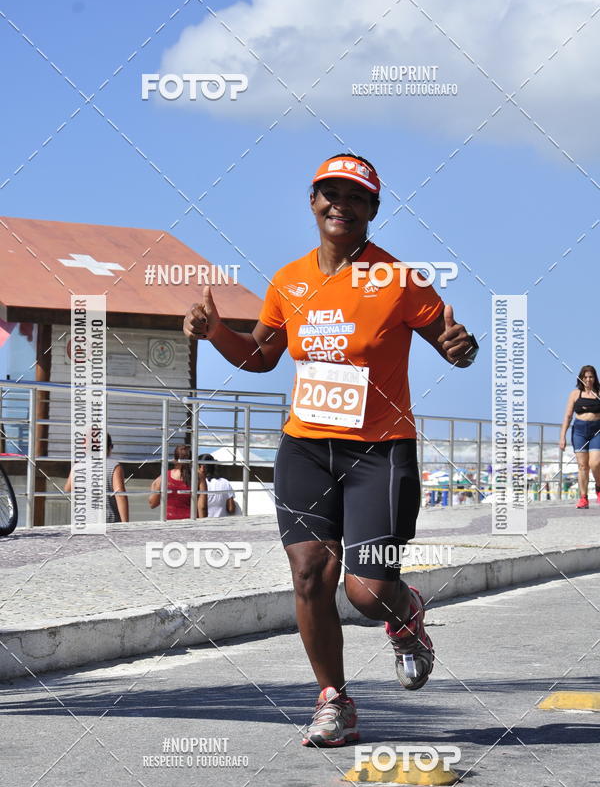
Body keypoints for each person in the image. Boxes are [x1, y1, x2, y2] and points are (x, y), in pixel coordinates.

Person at [183, 153, 478, 747]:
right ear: (312, 201)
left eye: (356, 197)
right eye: (330, 194)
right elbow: (261, 356)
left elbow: (452, 345)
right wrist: (214, 331)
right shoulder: (289, 280)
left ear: (373, 210)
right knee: (310, 575)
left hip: (381, 452)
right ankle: (333, 701)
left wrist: (459, 346)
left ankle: (405, 613)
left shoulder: (398, 279)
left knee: (366, 593)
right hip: (305, 448)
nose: (340, 205)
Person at [559, 365, 600, 509]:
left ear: (595, 378)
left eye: (591, 377)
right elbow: (568, 416)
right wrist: (562, 436)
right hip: (580, 431)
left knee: (595, 463)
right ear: (581, 379)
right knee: (583, 466)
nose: (588, 380)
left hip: (597, 431)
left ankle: (599, 487)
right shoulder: (575, 394)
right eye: (585, 377)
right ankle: (584, 498)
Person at [65, 433, 129, 523]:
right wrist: (125, 524)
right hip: (108, 521)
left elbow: (68, 489)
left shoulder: (78, 467)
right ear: (109, 447)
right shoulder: (114, 466)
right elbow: (120, 495)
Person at [148, 444, 207, 519]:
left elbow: (152, 503)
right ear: (192, 459)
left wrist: (154, 486)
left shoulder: (165, 476)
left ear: (175, 459)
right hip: (191, 523)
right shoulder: (198, 476)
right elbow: (202, 507)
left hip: (169, 523)